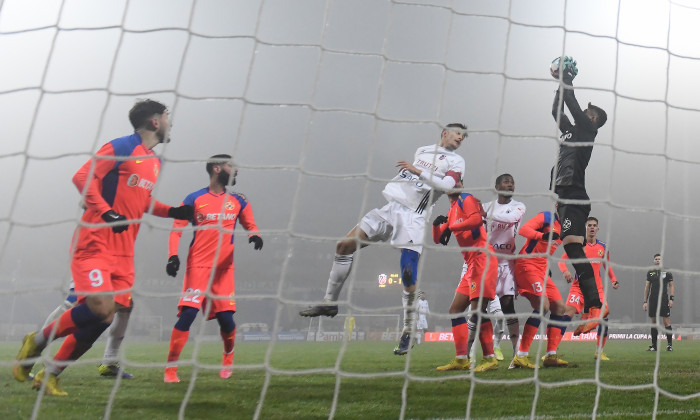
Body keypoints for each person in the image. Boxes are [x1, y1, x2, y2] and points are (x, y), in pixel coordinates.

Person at [13, 99, 193, 396]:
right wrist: (107, 212)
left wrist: (172, 211)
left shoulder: (154, 161)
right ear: (156, 122)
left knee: (107, 317)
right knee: (98, 307)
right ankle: (37, 342)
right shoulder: (122, 146)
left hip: (124, 253)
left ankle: (51, 373)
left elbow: (140, 201)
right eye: (168, 117)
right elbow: (82, 176)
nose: (171, 123)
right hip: (95, 242)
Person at [300, 124, 467, 356]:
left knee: (408, 274)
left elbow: (447, 186)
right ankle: (329, 302)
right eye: (457, 132)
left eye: (463, 135)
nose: (460, 137)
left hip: (413, 218)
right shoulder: (423, 150)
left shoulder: (457, 162)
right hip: (390, 209)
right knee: (343, 246)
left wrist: (418, 172)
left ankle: (408, 331)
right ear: (444, 133)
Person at [164, 154, 262, 383]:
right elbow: (176, 229)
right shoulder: (194, 198)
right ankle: (170, 369)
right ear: (217, 169)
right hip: (198, 266)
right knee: (188, 314)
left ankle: (228, 357)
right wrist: (172, 256)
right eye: (232, 166)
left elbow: (250, 223)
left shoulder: (238, 200)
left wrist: (255, 235)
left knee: (226, 320)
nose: (236, 170)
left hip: (224, 270)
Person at [550, 57, 608, 334]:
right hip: (564, 196)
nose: (584, 112)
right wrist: (558, 86)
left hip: (575, 194)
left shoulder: (588, 129)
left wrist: (567, 79)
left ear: (593, 119)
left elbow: (572, 104)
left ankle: (595, 307)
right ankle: (595, 307)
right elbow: (557, 112)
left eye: (588, 112)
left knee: (573, 248)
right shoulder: (572, 130)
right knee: (572, 249)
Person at [433, 188, 500, 372]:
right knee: (455, 310)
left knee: (478, 310)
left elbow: (477, 220)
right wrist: (435, 226)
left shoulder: (466, 199)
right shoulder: (452, 209)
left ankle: (490, 358)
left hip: (483, 258)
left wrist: (452, 227)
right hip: (471, 264)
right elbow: (439, 239)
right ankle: (461, 359)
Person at [473, 174, 526, 362]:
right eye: (506, 182)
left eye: (512, 182)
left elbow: (510, 220)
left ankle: (517, 353)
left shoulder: (518, 206)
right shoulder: (487, 206)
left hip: (507, 264)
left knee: (508, 306)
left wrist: (484, 214)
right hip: (487, 263)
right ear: (497, 187)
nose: (510, 185)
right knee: (479, 308)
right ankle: (476, 353)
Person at [510, 209, 571, 369]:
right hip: (527, 264)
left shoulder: (567, 227)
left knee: (559, 307)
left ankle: (551, 355)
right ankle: (521, 356)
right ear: (558, 205)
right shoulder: (547, 217)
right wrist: (541, 236)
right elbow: (524, 230)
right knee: (542, 305)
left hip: (542, 269)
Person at [559, 217, 619, 360]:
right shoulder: (577, 245)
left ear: (598, 229)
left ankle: (599, 352)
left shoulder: (603, 246)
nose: (592, 228)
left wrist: (614, 280)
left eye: (594, 225)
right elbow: (562, 260)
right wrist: (566, 271)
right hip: (578, 287)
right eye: (589, 225)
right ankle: (551, 352)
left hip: (596, 289)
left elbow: (607, 265)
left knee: (604, 318)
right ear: (585, 228)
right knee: (567, 313)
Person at [643, 254, 675, 352]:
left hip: (664, 300)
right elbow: (647, 287)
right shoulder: (650, 272)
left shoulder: (667, 271)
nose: (657, 260)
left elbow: (671, 285)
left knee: (666, 322)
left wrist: (671, 299)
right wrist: (645, 301)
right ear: (654, 261)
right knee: (654, 323)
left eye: (659, 259)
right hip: (653, 300)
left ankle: (669, 345)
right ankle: (654, 346)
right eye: (656, 259)